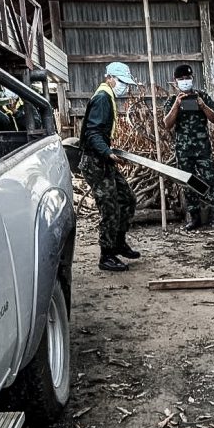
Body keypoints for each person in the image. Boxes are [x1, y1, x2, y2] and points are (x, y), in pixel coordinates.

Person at [79, 61, 140, 272]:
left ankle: (118, 242)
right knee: (110, 206)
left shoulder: (108, 97)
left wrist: (109, 153)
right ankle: (107, 255)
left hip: (103, 159)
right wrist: (108, 152)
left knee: (127, 198)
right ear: (110, 78)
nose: (124, 86)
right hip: (94, 161)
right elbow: (92, 133)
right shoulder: (102, 98)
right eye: (121, 82)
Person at [164, 63, 214, 231]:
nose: (185, 81)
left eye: (187, 78)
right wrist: (177, 105)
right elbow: (167, 124)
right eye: (181, 79)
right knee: (188, 182)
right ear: (175, 81)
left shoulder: (202, 96)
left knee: (210, 180)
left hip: (202, 148)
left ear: (192, 78)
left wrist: (202, 106)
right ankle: (194, 216)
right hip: (183, 150)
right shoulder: (172, 101)